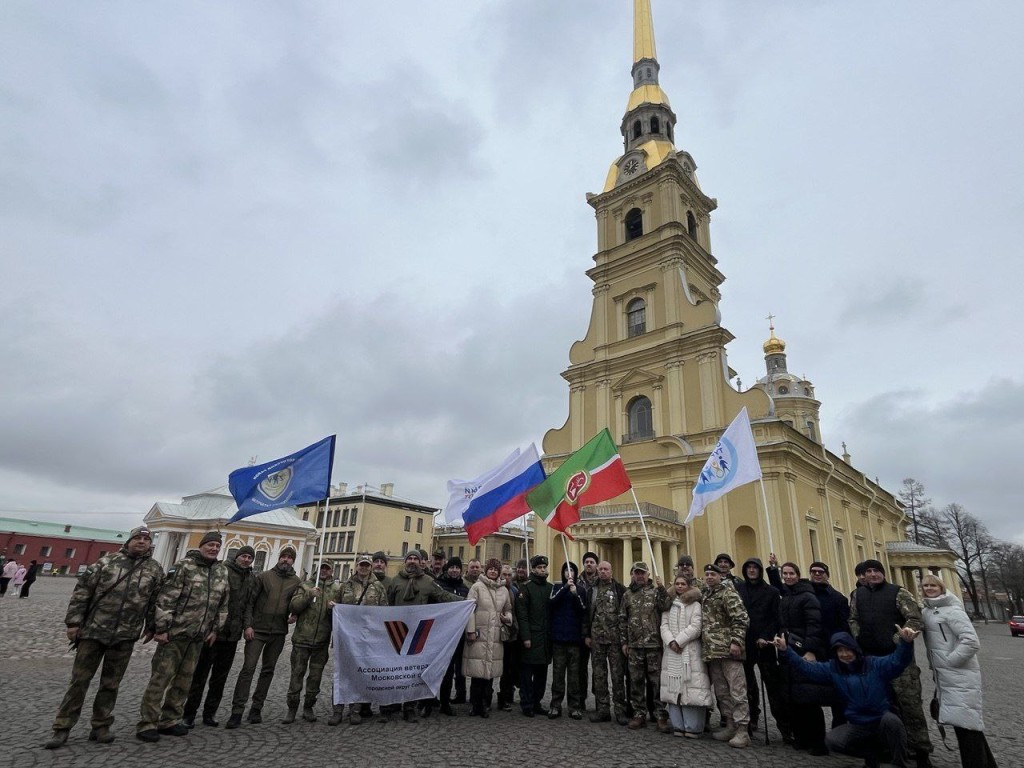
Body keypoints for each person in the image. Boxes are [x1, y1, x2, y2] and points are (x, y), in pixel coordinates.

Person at [44, 526, 164, 749]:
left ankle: (101, 725)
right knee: (79, 682)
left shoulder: (154, 569)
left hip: (125, 635)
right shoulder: (106, 563)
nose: (141, 542)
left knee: (111, 684)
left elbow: (155, 601)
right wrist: (74, 622)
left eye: (145, 540)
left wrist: (153, 626)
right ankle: (62, 727)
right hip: (94, 631)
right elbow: (82, 592)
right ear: (128, 541)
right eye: (137, 538)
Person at [775, 627, 922, 768]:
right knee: (832, 740)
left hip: (882, 718)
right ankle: (871, 755)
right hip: (858, 724)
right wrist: (785, 650)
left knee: (893, 721)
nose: (844, 654)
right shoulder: (833, 669)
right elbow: (807, 668)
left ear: (855, 650)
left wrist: (906, 643)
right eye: (840, 651)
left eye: (847, 650)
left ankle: (899, 763)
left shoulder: (873, 664)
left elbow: (897, 661)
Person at [136, 532, 230, 743]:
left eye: (217, 545)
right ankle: (148, 723)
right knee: (161, 678)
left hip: (199, 635)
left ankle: (170, 720)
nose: (214, 548)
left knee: (184, 680)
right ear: (202, 545)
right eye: (210, 545)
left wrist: (215, 629)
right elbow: (167, 598)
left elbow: (223, 603)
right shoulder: (184, 567)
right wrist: (162, 628)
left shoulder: (221, 571)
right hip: (175, 634)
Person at [850, 559, 933, 767]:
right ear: (863, 575)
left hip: (899, 658)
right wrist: (859, 637)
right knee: (878, 706)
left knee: (910, 705)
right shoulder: (857, 595)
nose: (872, 574)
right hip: (872, 660)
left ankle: (920, 750)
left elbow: (914, 618)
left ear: (883, 573)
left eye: (876, 570)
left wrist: (898, 639)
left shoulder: (899, 592)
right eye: (868, 571)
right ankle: (885, 747)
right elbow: (852, 619)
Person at [920, 574, 998, 768]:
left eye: (933, 585)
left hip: (959, 673)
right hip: (945, 676)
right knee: (965, 723)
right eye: (925, 586)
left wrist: (950, 661)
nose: (929, 588)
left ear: (941, 587)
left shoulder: (953, 610)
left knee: (966, 724)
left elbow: (971, 641)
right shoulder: (928, 611)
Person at [226, 546, 302, 728]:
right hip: (257, 630)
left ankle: (256, 708)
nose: (286, 560)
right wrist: (248, 625)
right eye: (283, 556)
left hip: (278, 631)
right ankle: (237, 710)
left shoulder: (296, 581)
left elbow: (295, 603)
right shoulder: (264, 577)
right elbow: (250, 602)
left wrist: (295, 614)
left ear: (293, 560)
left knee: (268, 670)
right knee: (248, 669)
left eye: (289, 558)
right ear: (279, 558)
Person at [385, 549, 464, 722]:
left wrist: (466, 601)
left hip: (418, 634)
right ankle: (393, 705)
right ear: (405, 561)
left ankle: (410, 707)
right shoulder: (395, 581)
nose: (412, 561)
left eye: (416, 559)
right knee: (396, 671)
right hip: (398, 632)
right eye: (409, 558)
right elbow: (387, 604)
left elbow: (443, 596)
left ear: (421, 562)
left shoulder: (428, 581)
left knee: (413, 672)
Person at [183, 545, 256, 729]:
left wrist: (247, 625)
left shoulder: (251, 578)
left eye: (250, 557)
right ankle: (189, 714)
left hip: (232, 635)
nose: (246, 560)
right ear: (237, 557)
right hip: (214, 632)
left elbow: (248, 604)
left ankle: (209, 713)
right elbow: (214, 601)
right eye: (244, 556)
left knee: (219, 678)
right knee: (200, 675)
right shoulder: (223, 571)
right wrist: (211, 627)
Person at [771, 561, 830, 755]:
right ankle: (802, 737)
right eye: (784, 574)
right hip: (788, 650)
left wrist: (810, 650)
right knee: (793, 695)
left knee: (809, 696)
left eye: (791, 573)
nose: (787, 576)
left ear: (798, 575)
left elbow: (814, 625)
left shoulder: (807, 596)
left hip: (804, 650)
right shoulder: (787, 595)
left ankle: (818, 741)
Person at [329, 553, 388, 725]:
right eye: (361, 565)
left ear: (370, 567)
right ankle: (337, 710)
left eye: (366, 565)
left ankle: (355, 710)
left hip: (366, 639)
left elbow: (384, 612)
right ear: (356, 566)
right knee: (341, 673)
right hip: (346, 638)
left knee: (359, 674)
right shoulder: (345, 585)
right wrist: (332, 606)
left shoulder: (377, 587)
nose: (363, 568)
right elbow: (335, 605)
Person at [735, 556, 787, 742]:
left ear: (759, 570)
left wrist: (766, 636)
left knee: (773, 687)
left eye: (754, 567)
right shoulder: (739, 589)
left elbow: (776, 618)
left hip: (764, 644)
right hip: (745, 643)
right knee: (747, 686)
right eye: (748, 567)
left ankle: (785, 728)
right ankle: (749, 721)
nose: (751, 570)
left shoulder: (771, 592)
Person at [701, 563, 751, 748]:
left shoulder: (728, 593)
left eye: (712, 574)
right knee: (722, 693)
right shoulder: (706, 594)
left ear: (720, 576)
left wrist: (736, 642)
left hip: (729, 651)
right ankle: (730, 725)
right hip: (713, 652)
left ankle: (742, 730)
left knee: (737, 691)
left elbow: (741, 618)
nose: (709, 577)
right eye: (706, 574)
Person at [283, 561, 336, 723]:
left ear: (331, 570)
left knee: (315, 677)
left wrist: (334, 608)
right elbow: (294, 606)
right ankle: (292, 708)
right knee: (296, 674)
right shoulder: (305, 585)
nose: (324, 571)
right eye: (322, 568)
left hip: (321, 641)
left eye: (327, 568)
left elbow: (340, 615)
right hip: (302, 639)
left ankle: (308, 706)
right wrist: (308, 595)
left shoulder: (336, 589)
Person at [620, 561, 669, 733]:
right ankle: (639, 713)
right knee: (636, 681)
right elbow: (622, 619)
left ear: (648, 575)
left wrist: (662, 588)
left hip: (653, 644)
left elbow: (666, 606)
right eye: (637, 573)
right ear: (632, 574)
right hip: (634, 645)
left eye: (642, 573)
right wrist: (624, 642)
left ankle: (660, 715)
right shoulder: (627, 595)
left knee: (656, 682)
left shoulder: (655, 593)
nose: (640, 576)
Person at [660, 575, 711, 738]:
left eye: (683, 584)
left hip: (690, 651)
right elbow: (664, 625)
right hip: (672, 651)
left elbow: (696, 627)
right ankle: (678, 724)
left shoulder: (695, 605)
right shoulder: (669, 604)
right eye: (677, 584)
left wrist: (679, 641)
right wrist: (671, 641)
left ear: (688, 587)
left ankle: (693, 726)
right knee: (673, 688)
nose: (680, 586)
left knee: (692, 687)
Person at [464, 558, 513, 717]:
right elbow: (469, 609)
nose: (493, 571)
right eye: (490, 568)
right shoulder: (477, 587)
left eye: (495, 569)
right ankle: (475, 704)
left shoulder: (504, 590)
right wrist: (470, 630)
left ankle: (485, 704)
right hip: (479, 634)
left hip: (495, 636)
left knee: (490, 673)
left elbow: (508, 609)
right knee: (477, 672)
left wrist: (508, 618)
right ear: (486, 570)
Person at [584, 559, 628, 725]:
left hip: (614, 640)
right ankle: (603, 710)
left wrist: (624, 639)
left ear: (611, 571)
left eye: (606, 569)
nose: (602, 571)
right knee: (599, 676)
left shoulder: (619, 589)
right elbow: (587, 614)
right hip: (597, 640)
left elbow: (624, 615)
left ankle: (620, 710)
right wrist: (587, 634)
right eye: (600, 569)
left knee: (617, 677)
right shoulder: (592, 590)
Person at [808, 560, 851, 727]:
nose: (817, 574)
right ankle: (815, 731)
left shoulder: (838, 598)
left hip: (832, 649)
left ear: (827, 575)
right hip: (813, 648)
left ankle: (839, 726)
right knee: (812, 690)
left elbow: (844, 625)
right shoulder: (806, 594)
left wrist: (840, 646)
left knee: (838, 689)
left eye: (821, 572)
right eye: (814, 572)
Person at [548, 561, 587, 720]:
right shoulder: (557, 588)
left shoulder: (581, 590)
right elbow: (551, 603)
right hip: (558, 639)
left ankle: (574, 707)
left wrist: (574, 593)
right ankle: (555, 705)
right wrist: (565, 589)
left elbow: (583, 609)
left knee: (574, 677)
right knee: (557, 676)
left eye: (572, 570)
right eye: (566, 570)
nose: (569, 573)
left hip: (574, 640)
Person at [515, 555, 553, 718]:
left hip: (545, 639)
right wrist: (526, 637)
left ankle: (537, 702)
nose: (542, 570)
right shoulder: (525, 588)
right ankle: (527, 703)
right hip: (531, 637)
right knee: (526, 674)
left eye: (544, 567)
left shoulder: (550, 587)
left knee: (541, 675)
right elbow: (522, 615)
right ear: (533, 569)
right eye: (539, 567)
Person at [437, 556, 470, 714]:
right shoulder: (439, 585)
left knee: (453, 671)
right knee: (440, 670)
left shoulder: (464, 589)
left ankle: (445, 702)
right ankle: (430, 702)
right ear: (447, 569)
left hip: (458, 636)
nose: (454, 570)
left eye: (457, 568)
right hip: (441, 636)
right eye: (452, 567)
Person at [496, 563, 520, 712]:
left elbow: (517, 613)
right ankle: (485, 697)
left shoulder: (515, 591)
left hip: (510, 635)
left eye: (509, 575)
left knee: (507, 669)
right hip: (495, 635)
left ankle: (504, 697)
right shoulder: (495, 589)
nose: (506, 577)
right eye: (504, 574)